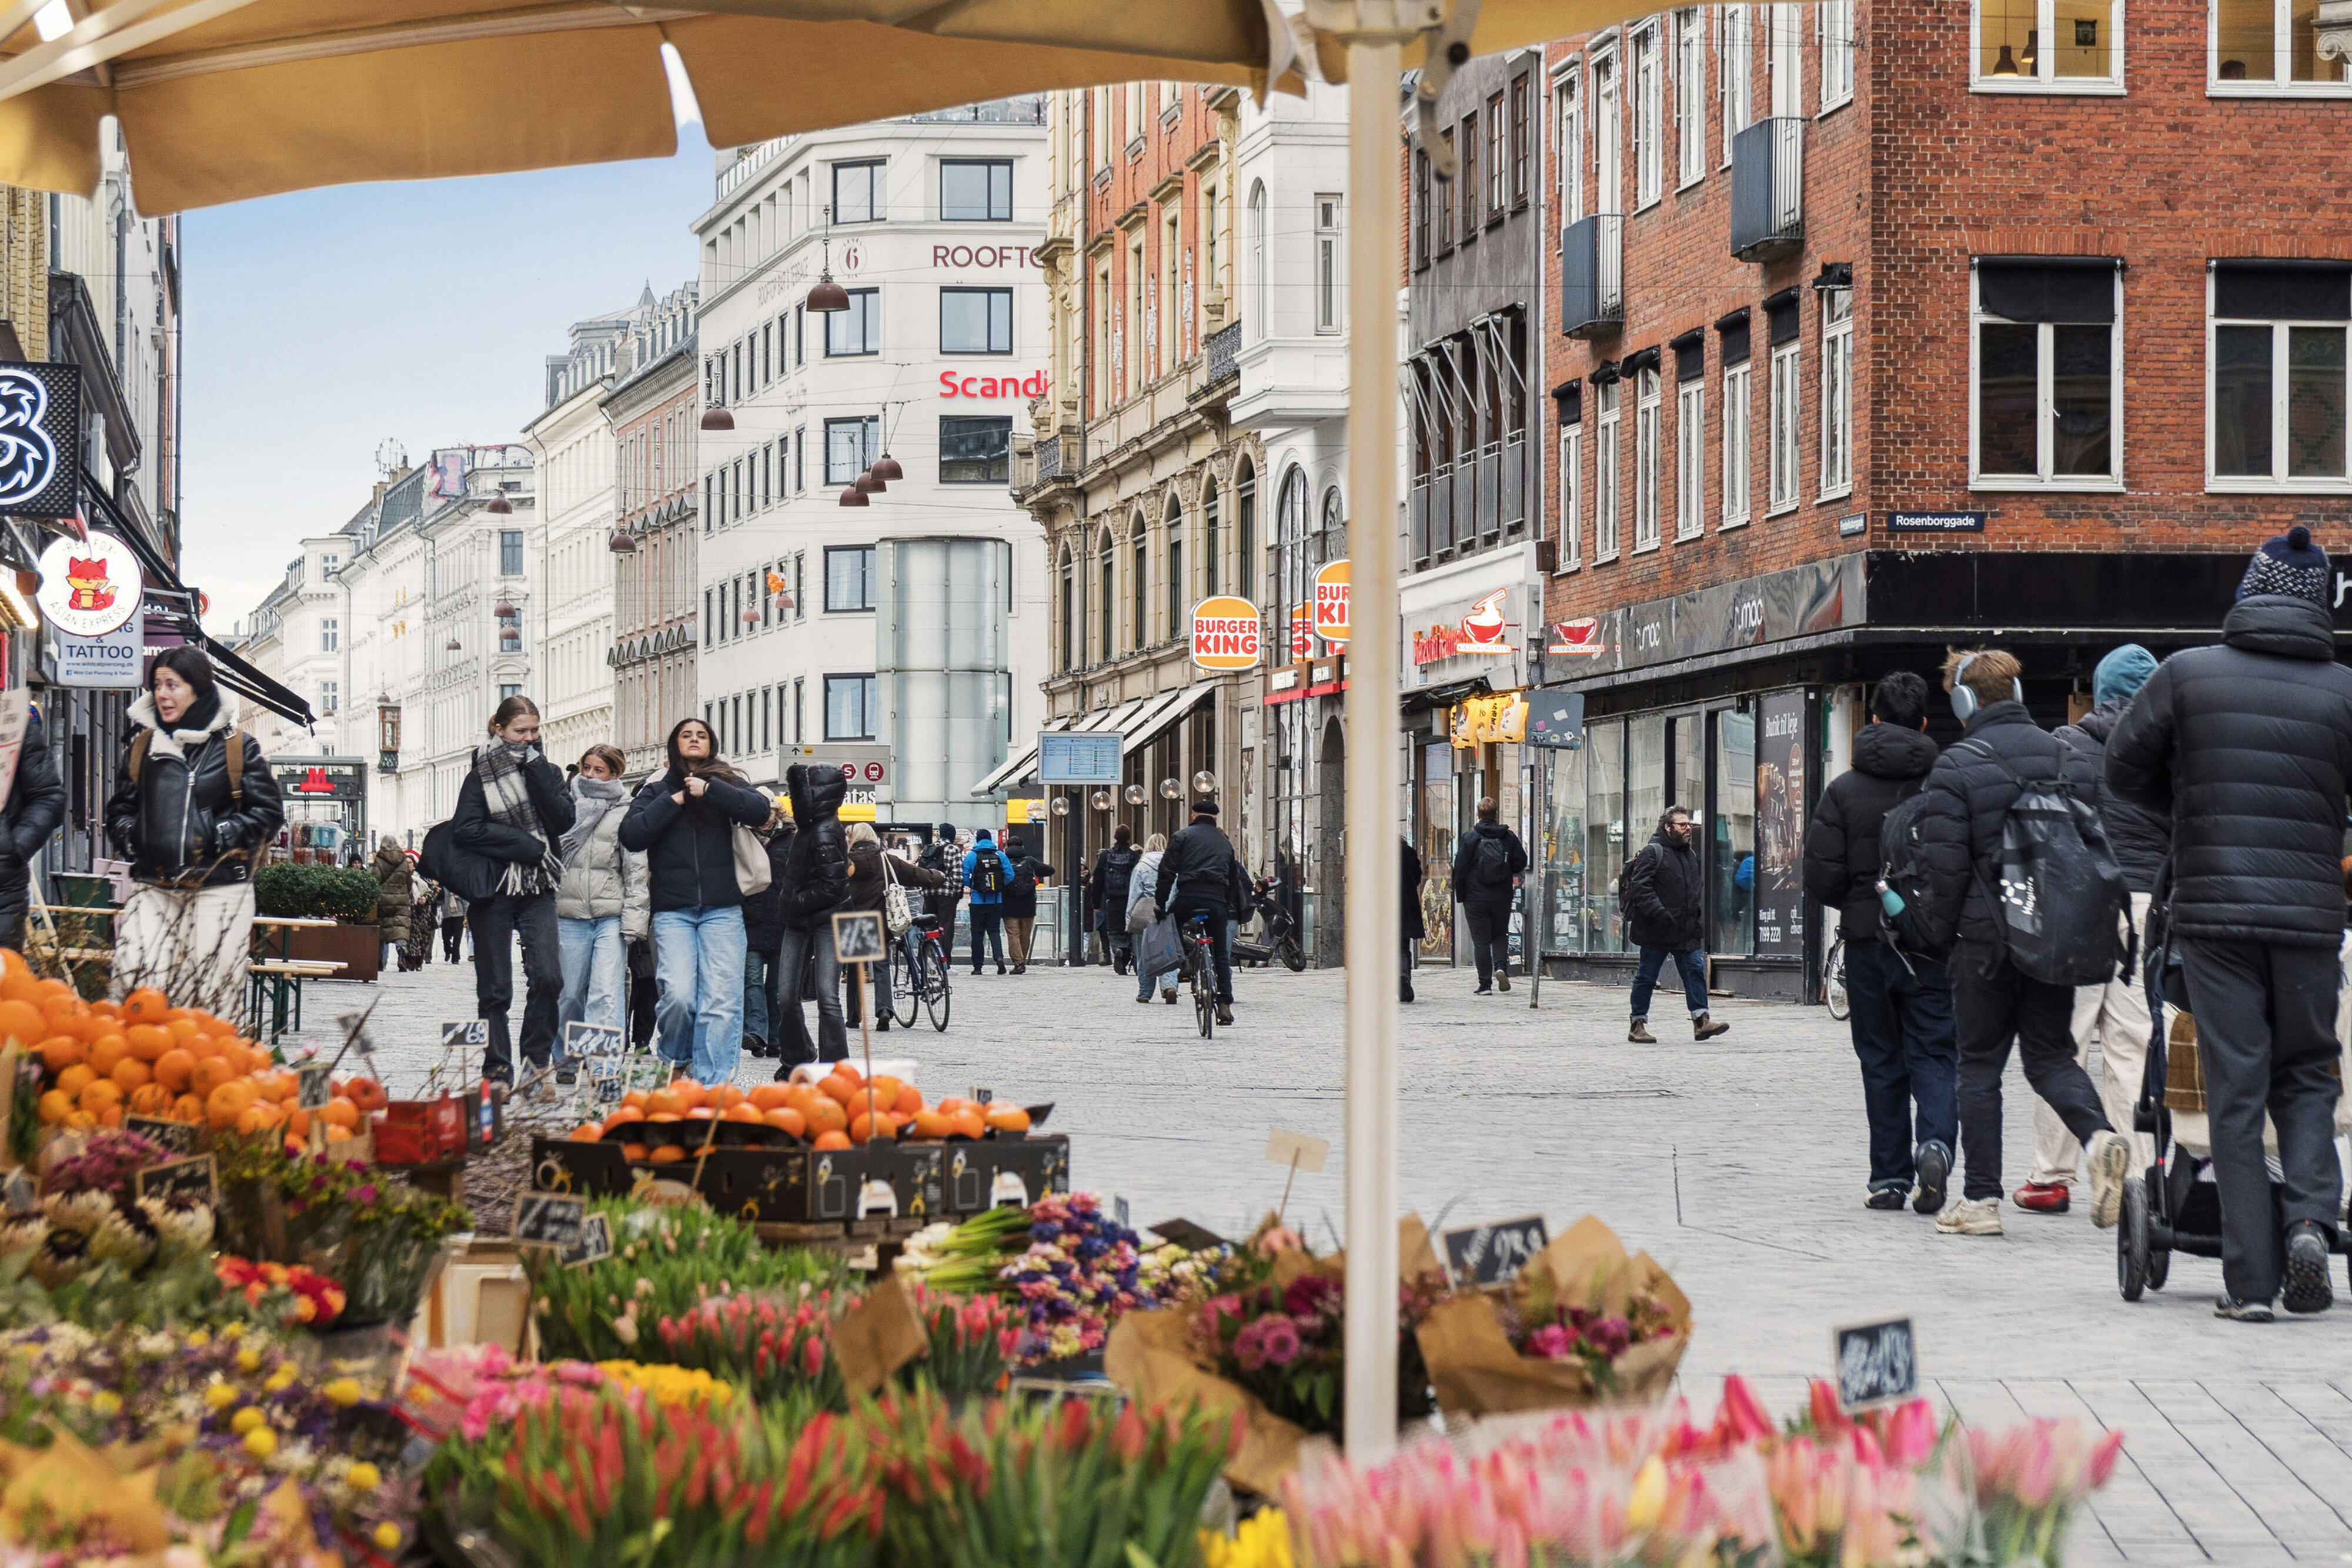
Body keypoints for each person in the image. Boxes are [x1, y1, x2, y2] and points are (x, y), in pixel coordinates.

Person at [2108, 527, 2352, 1319]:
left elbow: (2121, 768)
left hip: (2213, 916)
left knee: (2236, 1087)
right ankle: (2312, 1220)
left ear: (2250, 592)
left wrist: (2188, 812)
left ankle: (2250, 1283)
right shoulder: (2345, 690)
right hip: (2313, 917)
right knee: (2310, 1071)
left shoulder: (2187, 675)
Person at [1915, 648, 2128, 1239]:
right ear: (2015, 693)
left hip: (1983, 940)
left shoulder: (1954, 766)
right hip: (2053, 934)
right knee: (2051, 1056)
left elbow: (1945, 871)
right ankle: (2100, 1139)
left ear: (1963, 702)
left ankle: (1980, 1201)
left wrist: (1941, 939)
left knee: (1978, 1066)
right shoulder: (2066, 755)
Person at [2018, 645, 2167, 1215]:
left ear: (2100, 693)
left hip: (2079, 905)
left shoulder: (2066, 745)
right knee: (2133, 1045)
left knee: (2064, 1043)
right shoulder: (2166, 753)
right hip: (2146, 904)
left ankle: (2051, 1176)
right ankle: (2137, 1176)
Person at [1801, 671, 1956, 1213]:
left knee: (1880, 1058)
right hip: (1931, 947)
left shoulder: (1843, 790)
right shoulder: (1944, 784)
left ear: (1872, 719)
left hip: (1868, 945)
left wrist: (1861, 900)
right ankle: (1935, 1144)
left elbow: (1820, 878)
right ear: (1922, 723)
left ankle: (1888, 1178)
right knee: (1935, 1052)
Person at [104, 648, 285, 1020]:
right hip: (154, 887)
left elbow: (268, 814)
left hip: (220, 889)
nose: (162, 694)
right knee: (136, 984)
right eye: (157, 685)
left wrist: (219, 833)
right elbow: (120, 809)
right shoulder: (143, 747)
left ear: (199, 690)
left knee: (210, 998)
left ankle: (209, 1073)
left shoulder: (238, 747)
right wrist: (134, 837)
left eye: (173, 685)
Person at [618, 718, 770, 1086]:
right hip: (674, 912)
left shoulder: (728, 782)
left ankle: (712, 1084)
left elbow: (760, 812)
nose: (694, 739)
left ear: (711, 744)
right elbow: (632, 835)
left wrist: (711, 790)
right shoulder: (655, 790)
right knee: (679, 997)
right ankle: (675, 1057)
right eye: (687, 735)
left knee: (720, 1001)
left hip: (723, 910)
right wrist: (676, 799)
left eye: (701, 735)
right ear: (675, 745)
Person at [445, 694, 574, 1085]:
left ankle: (536, 1061)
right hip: (494, 888)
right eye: (521, 731)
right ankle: (497, 1067)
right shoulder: (479, 773)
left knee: (549, 976)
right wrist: (525, 845)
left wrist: (535, 771)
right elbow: (466, 828)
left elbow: (564, 819)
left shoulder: (547, 770)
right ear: (499, 729)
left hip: (538, 887)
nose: (529, 738)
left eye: (535, 730)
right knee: (495, 986)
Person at [553, 743, 649, 1081]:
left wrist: (635, 920)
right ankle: (566, 1058)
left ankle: (604, 1064)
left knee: (606, 993)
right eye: (587, 769)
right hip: (568, 913)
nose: (591, 776)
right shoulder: (564, 805)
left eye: (599, 770)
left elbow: (636, 870)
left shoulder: (626, 812)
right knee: (568, 994)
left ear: (615, 774)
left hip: (610, 914)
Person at [1622, 805, 1729, 1044]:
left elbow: (1694, 891)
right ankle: (1637, 1025)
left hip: (1686, 929)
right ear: (1668, 828)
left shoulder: (1690, 855)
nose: (1688, 828)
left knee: (1694, 972)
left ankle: (1701, 1022)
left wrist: (1696, 919)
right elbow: (1641, 887)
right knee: (1647, 976)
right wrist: (1660, 913)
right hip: (1656, 928)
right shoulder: (1654, 852)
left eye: (1689, 824)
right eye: (1682, 825)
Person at [771, 763, 851, 1066]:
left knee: (826, 996)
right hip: (801, 920)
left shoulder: (824, 831)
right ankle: (799, 1056)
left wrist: (793, 901)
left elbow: (832, 887)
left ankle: (834, 1065)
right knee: (787, 996)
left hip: (826, 922)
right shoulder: (809, 828)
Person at [841, 821, 944, 1029]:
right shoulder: (887, 860)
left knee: (854, 970)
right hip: (881, 921)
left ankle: (854, 1017)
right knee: (881, 966)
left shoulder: (847, 864)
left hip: (853, 922)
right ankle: (885, 1010)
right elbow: (916, 875)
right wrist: (938, 877)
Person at [1154, 800, 1241, 1025]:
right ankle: (1224, 1004)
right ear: (1215, 819)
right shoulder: (1224, 843)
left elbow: (1167, 872)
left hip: (1188, 896)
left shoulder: (1182, 837)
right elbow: (1234, 878)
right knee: (1221, 953)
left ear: (1193, 816)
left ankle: (1183, 962)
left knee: (1170, 927)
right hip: (1216, 900)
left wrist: (1160, 904)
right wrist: (1226, 903)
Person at [1450, 795, 1528, 995]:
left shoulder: (1470, 838)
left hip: (1475, 898)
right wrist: (1506, 868)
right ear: (1496, 814)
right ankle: (1501, 967)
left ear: (1478, 814)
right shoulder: (1508, 837)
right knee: (1500, 934)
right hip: (1501, 896)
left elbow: (1460, 868)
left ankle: (1485, 984)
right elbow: (1521, 862)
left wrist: (1461, 895)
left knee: (1481, 941)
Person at [0, 707, 62, 954]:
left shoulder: (13, 729)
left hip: (3, 889)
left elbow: (48, 796)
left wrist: (14, 847)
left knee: (5, 985)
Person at [740, 800, 796, 1059]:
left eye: (770, 811)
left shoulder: (790, 839)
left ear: (777, 811)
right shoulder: (743, 837)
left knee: (776, 987)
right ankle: (756, 1034)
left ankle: (776, 1040)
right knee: (751, 981)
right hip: (749, 920)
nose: (765, 817)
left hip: (781, 921)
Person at [1127, 832, 1177, 1004]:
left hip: (1145, 913)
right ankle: (1170, 986)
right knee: (1168, 952)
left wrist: (1129, 918)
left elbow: (1135, 894)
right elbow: (1176, 890)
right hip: (1166, 912)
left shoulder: (1141, 867)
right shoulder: (1172, 866)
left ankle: (1145, 992)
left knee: (1143, 953)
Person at [1087, 825, 1142, 972]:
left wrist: (1096, 902)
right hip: (1130, 899)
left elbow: (1098, 878)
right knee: (1129, 929)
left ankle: (1117, 949)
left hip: (1112, 898)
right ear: (1129, 838)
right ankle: (1126, 956)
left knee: (1114, 930)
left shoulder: (1106, 856)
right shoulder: (1134, 857)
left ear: (1115, 838)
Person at [961, 828, 1015, 975]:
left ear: (978, 840)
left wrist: (973, 886)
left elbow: (965, 877)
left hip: (977, 901)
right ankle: (999, 958)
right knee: (994, 931)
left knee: (977, 934)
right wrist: (999, 886)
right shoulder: (1000, 855)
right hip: (996, 901)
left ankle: (978, 967)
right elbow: (1010, 875)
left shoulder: (971, 856)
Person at [999, 833, 1055, 974]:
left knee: (1013, 934)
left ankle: (1019, 963)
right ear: (1022, 847)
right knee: (1025, 935)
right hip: (1028, 904)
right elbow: (1050, 870)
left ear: (1007, 847)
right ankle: (1022, 960)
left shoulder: (1004, 861)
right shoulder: (1030, 861)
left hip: (1009, 904)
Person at [918, 823, 965, 964]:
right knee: (945, 928)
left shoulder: (927, 849)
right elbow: (957, 875)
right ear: (952, 835)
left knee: (929, 926)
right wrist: (956, 893)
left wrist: (925, 890)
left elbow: (920, 871)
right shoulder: (953, 849)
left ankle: (928, 959)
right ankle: (944, 962)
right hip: (946, 895)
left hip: (928, 894)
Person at [371, 838, 413, 973]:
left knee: (381, 929)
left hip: (384, 899)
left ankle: (379, 962)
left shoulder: (380, 860)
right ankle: (401, 953)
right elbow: (409, 882)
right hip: (401, 900)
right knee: (401, 927)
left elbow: (375, 880)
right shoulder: (404, 861)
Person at [1401, 837, 1425, 1004]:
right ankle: (1403, 975)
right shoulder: (1408, 852)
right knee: (1402, 947)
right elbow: (1417, 878)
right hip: (1405, 907)